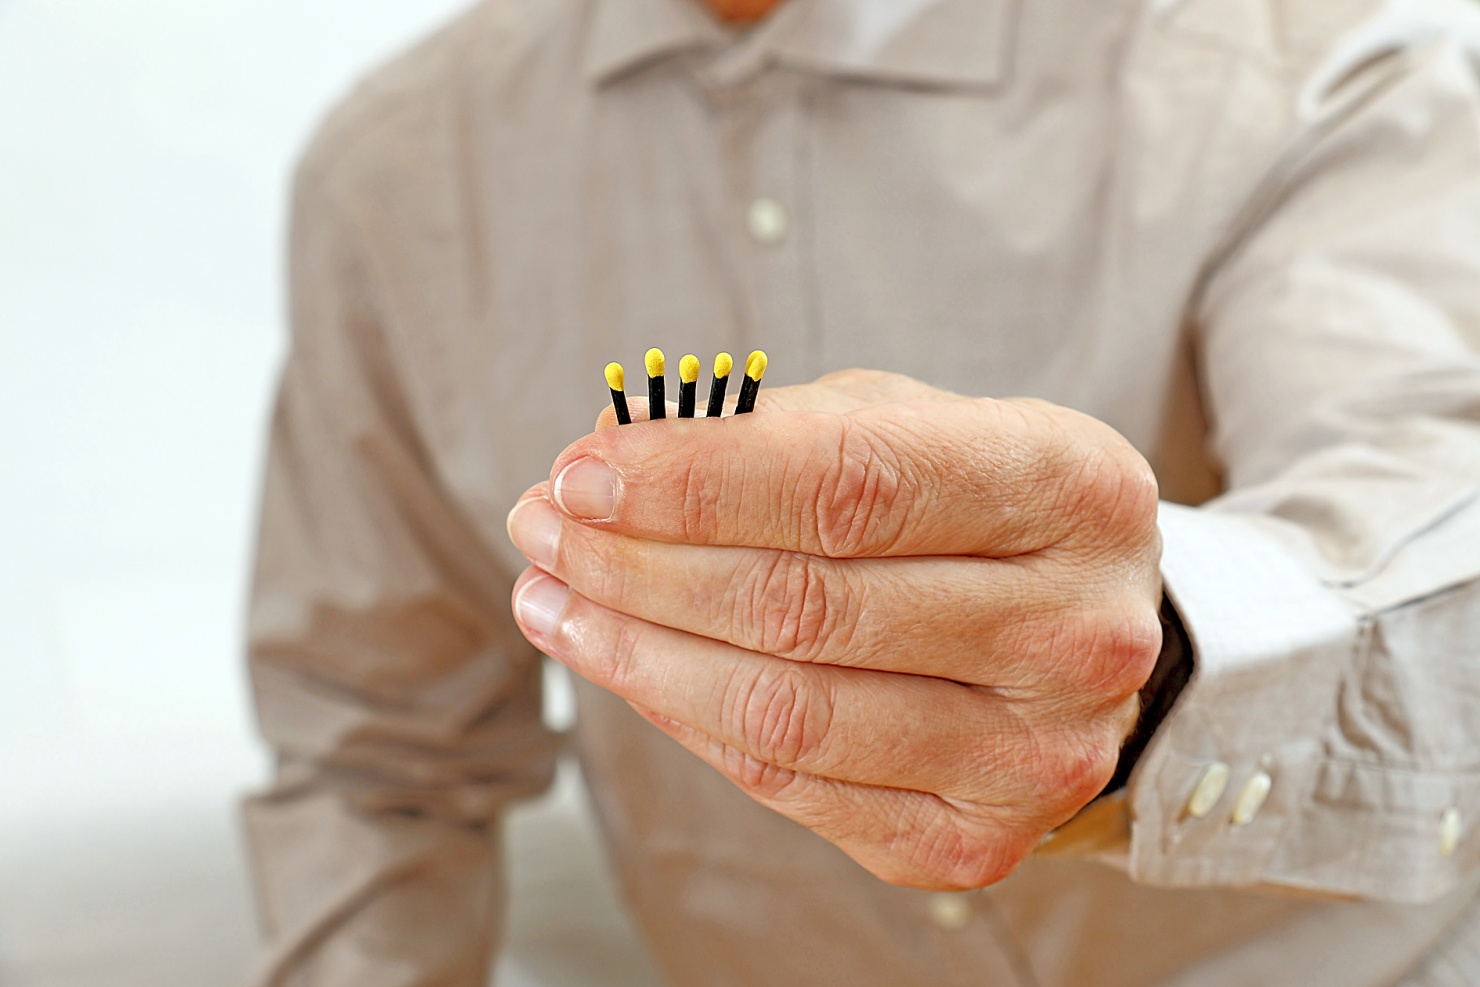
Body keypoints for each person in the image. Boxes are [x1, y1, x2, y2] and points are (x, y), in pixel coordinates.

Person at [241, 0, 1480, 984]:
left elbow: (1436, 525)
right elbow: (376, 765)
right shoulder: (395, 179)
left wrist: (1154, 676)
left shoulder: (1302, 60)